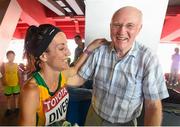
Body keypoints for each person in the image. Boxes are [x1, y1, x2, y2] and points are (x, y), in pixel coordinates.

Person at [67, 6, 169, 126]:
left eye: (129, 26)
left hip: (125, 123)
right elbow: (80, 78)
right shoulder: (99, 50)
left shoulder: (148, 59)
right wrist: (53, 81)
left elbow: (153, 107)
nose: (121, 31)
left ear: (139, 29)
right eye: (117, 25)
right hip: (94, 117)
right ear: (110, 27)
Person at [19, 24, 106, 126]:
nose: (68, 53)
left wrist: (90, 48)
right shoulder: (32, 91)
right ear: (44, 56)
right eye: (61, 48)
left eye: (67, 47)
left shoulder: (61, 75)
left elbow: (75, 68)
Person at [1, 50, 21, 116]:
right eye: (9, 56)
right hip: (7, 84)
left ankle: (16, 108)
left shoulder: (16, 65)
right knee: (8, 98)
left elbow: (18, 73)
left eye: (12, 56)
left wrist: (20, 82)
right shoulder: (4, 65)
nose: (11, 57)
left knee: (16, 96)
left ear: (14, 57)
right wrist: (3, 81)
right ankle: (8, 109)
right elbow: (2, 74)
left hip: (16, 84)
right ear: (7, 57)